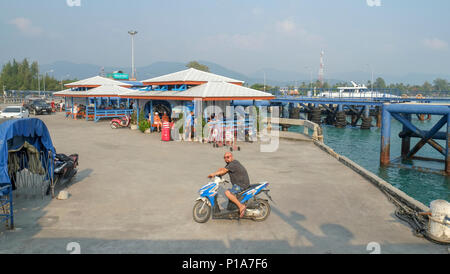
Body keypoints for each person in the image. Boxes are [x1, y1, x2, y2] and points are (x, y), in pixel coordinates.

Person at [207, 152, 250, 217]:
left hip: (241, 185)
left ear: (232, 157)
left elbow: (224, 171)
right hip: (239, 184)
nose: (226, 159)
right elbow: (223, 171)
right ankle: (233, 210)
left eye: (228, 157)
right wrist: (218, 173)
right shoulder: (230, 164)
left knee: (227, 192)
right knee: (230, 193)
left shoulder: (233, 163)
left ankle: (241, 206)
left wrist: (213, 174)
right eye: (225, 157)